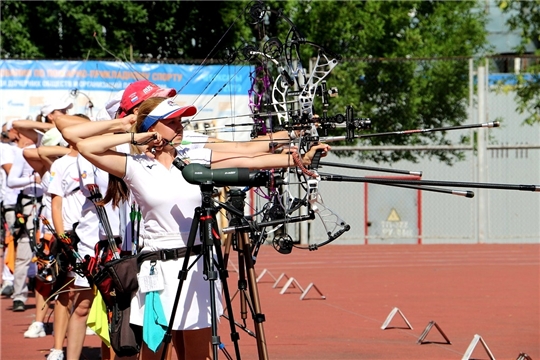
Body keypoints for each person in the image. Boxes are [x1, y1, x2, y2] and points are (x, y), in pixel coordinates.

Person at [77, 97, 330, 359]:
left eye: (181, 121)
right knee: (154, 353)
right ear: (152, 127)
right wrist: (136, 137)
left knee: (197, 354)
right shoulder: (136, 167)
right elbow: (86, 147)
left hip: (198, 265)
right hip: (157, 270)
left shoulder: (193, 157)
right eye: (171, 122)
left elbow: (248, 158)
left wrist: (300, 161)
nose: (179, 127)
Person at [5, 120, 43, 312]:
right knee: (24, 253)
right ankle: (19, 296)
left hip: (49, 206)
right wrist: (32, 179)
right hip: (29, 206)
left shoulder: (48, 149)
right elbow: (11, 180)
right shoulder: (22, 154)